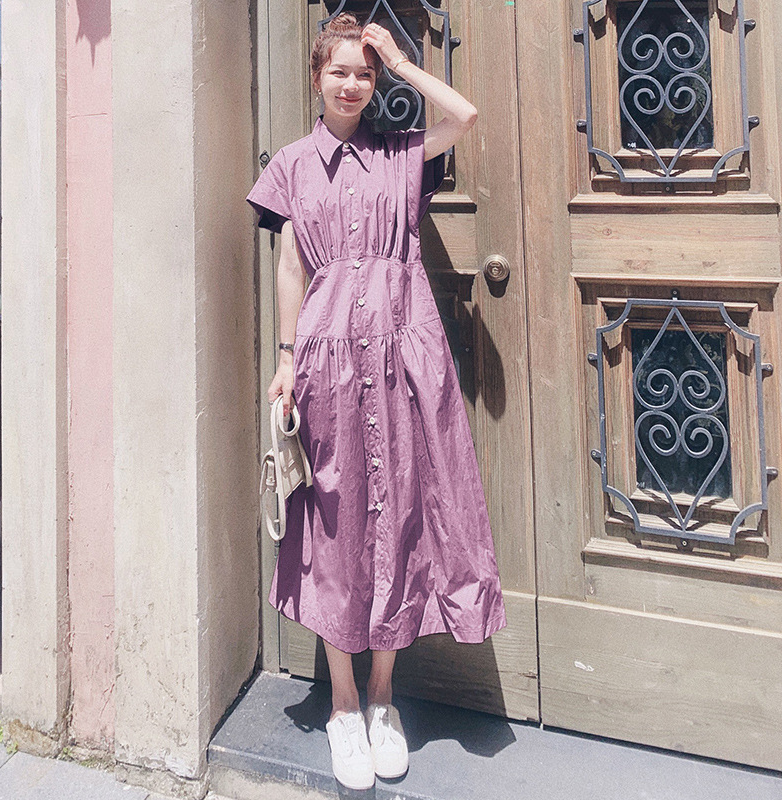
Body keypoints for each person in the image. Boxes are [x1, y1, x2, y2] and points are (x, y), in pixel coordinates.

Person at [246, 12, 507, 791]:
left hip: (404, 356)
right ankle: (342, 705)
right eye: (341, 71)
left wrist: (399, 59)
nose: (353, 84)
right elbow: (290, 266)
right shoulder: (292, 165)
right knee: (334, 527)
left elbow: (465, 115)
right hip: (325, 359)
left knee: (401, 520)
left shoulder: (400, 153)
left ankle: (385, 700)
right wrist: (285, 358)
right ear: (316, 79)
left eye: (364, 73)